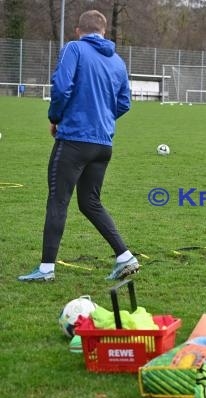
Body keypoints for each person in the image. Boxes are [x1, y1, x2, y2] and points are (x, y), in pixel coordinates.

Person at [18, 10, 138, 282]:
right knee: (89, 202)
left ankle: (46, 270)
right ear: (104, 32)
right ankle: (125, 256)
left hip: (74, 140)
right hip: (103, 145)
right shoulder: (118, 61)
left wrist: (56, 118)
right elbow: (124, 104)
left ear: (78, 30)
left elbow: (61, 87)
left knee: (58, 201)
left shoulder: (74, 48)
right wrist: (102, 119)